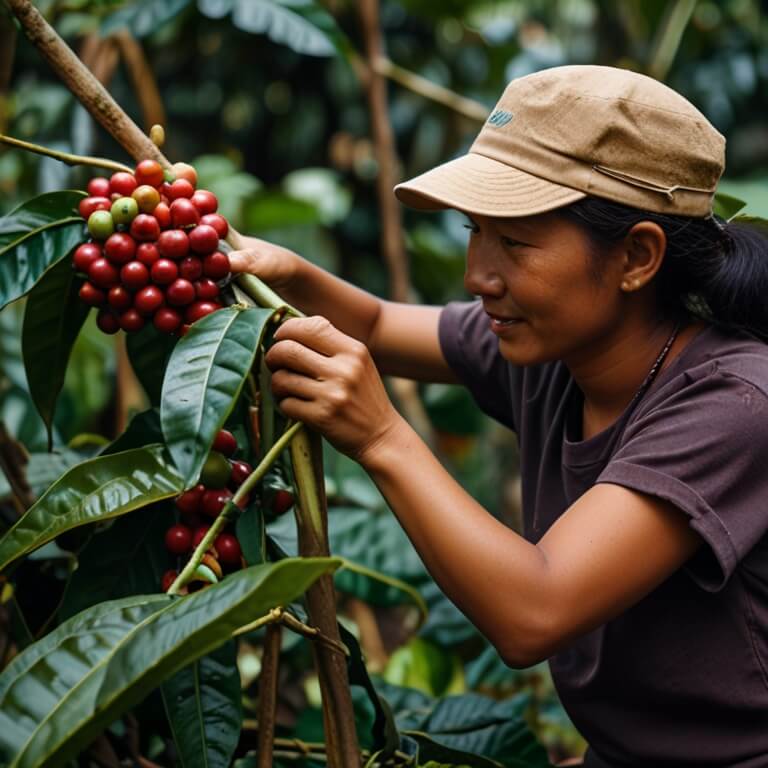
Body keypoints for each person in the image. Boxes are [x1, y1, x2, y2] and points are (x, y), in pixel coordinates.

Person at [229, 65, 768, 767]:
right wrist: (287, 274)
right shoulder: (554, 343)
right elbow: (381, 324)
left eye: (514, 244)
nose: (479, 275)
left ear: (638, 256)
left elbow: (533, 614)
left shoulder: (735, 405)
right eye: (474, 231)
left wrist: (382, 435)